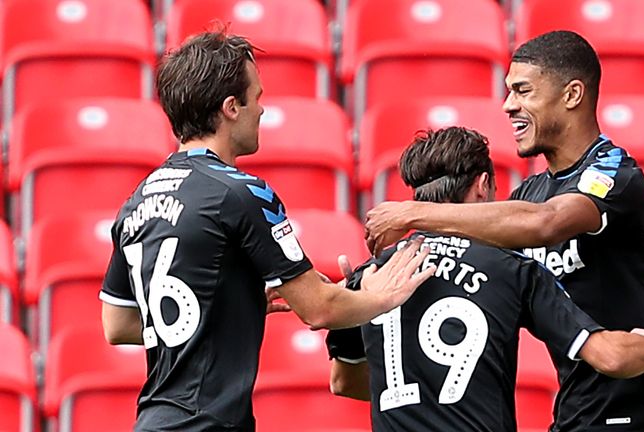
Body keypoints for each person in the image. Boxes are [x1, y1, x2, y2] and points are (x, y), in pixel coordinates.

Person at [98, 31, 434, 432]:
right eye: (256, 98)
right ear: (231, 108)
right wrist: (381, 297)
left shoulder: (137, 200)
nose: (262, 110)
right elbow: (319, 308)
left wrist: (229, 305)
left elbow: (117, 324)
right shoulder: (239, 191)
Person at [364, 31, 644, 431]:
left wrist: (413, 213)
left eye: (523, 91)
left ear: (572, 95)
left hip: (634, 410)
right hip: (575, 408)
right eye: (508, 92)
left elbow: (546, 224)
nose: (508, 105)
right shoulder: (529, 194)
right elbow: (464, 257)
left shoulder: (613, 174)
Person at [327, 126, 644, 432]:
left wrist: (348, 316)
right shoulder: (512, 269)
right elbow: (611, 357)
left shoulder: (373, 276)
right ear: (482, 186)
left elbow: (343, 382)